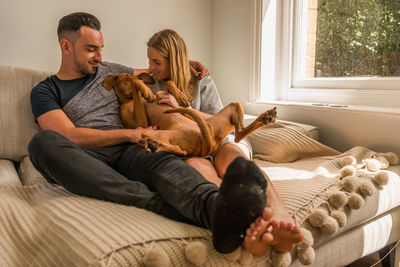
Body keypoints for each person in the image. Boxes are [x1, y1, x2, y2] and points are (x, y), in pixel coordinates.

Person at [28, 11, 271, 254]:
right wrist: (129, 134)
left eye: (101, 48)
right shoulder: (45, 91)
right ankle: (153, 203)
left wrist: (188, 63)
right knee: (42, 144)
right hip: (87, 158)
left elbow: (158, 68)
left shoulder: (108, 69)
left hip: (131, 151)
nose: (100, 57)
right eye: (91, 49)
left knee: (168, 164)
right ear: (66, 46)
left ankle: (219, 211)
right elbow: (68, 135)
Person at [145, 29, 304, 255]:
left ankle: (279, 213)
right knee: (197, 169)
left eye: (156, 61)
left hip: (219, 140)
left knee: (235, 162)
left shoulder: (201, 80)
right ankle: (252, 222)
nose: (151, 67)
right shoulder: (150, 85)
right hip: (191, 149)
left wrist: (182, 109)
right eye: (149, 60)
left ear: (175, 60)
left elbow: (222, 121)